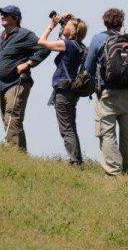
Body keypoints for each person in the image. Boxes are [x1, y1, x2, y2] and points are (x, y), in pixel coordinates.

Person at [85, 8, 128, 176]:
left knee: (107, 133)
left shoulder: (98, 39)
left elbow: (88, 68)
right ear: (122, 22)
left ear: (105, 22)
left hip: (107, 94)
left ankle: (114, 174)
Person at [0, 5, 50, 150]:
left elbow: (45, 48)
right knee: (8, 120)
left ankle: (13, 154)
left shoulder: (25, 34)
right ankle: (21, 155)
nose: (2, 16)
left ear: (15, 18)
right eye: (1, 14)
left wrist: (28, 64)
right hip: (2, 84)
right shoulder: (2, 36)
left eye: (6, 14)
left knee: (12, 118)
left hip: (17, 82)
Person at [38, 13, 88, 165]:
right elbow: (75, 28)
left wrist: (51, 26)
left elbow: (41, 42)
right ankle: (77, 160)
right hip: (73, 90)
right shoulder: (81, 46)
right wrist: (71, 18)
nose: (65, 26)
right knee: (71, 125)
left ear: (73, 32)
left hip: (63, 89)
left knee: (66, 128)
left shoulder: (66, 44)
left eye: (68, 25)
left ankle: (74, 161)